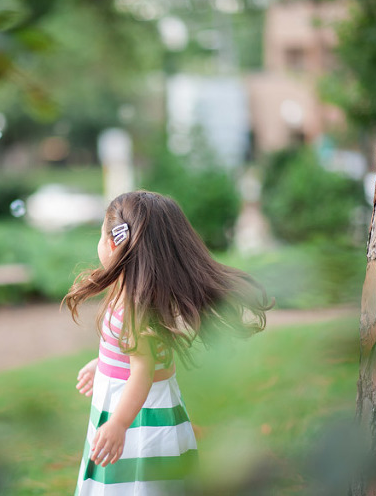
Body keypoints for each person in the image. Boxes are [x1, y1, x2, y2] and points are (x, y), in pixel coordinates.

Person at [64, 190, 273, 496]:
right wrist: (104, 363)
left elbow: (142, 371)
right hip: (140, 408)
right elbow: (137, 352)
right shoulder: (140, 295)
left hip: (139, 421)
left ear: (112, 242)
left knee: (139, 487)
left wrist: (118, 425)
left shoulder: (134, 307)